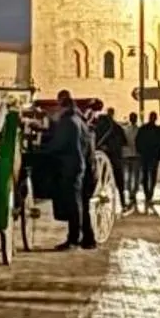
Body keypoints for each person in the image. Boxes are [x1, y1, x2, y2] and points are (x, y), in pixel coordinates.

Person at [44, 90, 94, 249]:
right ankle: (88, 238)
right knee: (80, 203)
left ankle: (73, 238)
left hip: (70, 167)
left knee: (74, 204)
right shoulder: (79, 120)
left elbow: (60, 144)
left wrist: (45, 149)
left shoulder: (69, 122)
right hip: (80, 165)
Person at [94, 105, 129, 205]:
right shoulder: (117, 127)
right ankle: (122, 201)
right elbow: (124, 142)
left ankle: (104, 194)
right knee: (119, 180)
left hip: (103, 158)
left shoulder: (100, 127)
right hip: (115, 157)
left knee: (101, 178)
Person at [134, 114, 160, 213]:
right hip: (148, 155)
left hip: (149, 155)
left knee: (149, 174)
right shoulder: (156, 130)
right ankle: (149, 194)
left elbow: (138, 141)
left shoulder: (145, 129)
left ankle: (149, 194)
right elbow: (138, 141)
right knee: (149, 174)